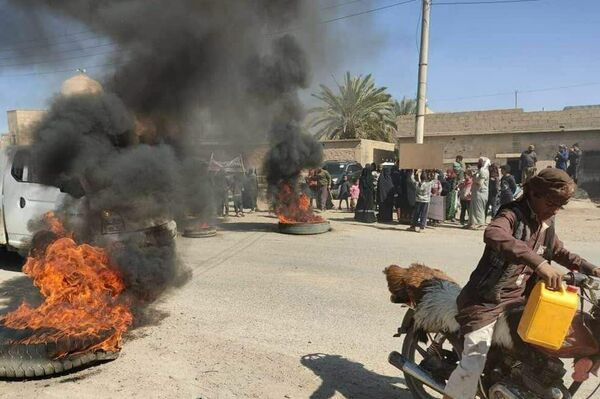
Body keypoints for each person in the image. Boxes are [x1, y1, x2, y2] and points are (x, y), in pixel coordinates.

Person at [442, 168, 600, 399]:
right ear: (534, 194)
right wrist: (538, 264)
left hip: (519, 300)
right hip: (486, 302)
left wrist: (591, 268)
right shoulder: (512, 214)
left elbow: (559, 252)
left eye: (559, 206)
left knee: (545, 344)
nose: (554, 210)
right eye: (551, 203)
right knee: (473, 361)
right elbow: (494, 233)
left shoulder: (545, 223)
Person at [466, 157, 490, 230]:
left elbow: (480, 182)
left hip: (481, 192)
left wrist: (474, 178)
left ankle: (480, 224)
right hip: (476, 192)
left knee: (478, 209)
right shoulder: (480, 170)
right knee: (473, 209)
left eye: (480, 161)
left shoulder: (484, 171)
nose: (478, 163)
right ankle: (471, 223)